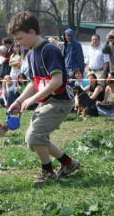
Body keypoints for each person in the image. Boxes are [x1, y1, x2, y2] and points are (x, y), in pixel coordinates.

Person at [7, 11, 79, 186]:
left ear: (32, 32)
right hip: (47, 101)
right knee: (35, 141)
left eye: (19, 38)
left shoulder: (49, 50)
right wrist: (19, 100)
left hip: (60, 101)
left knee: (35, 136)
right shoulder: (31, 54)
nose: (17, 42)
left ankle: (48, 173)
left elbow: (57, 81)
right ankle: (68, 163)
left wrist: (33, 100)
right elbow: (34, 83)